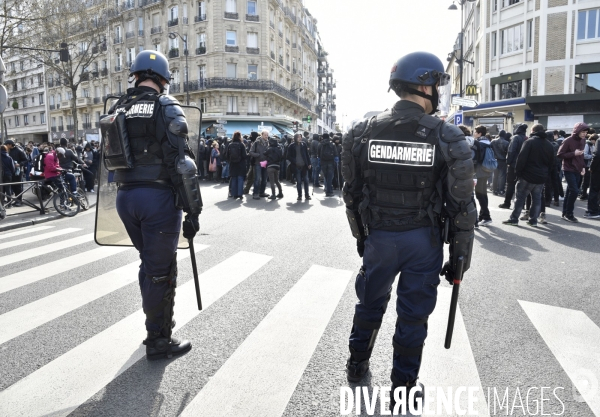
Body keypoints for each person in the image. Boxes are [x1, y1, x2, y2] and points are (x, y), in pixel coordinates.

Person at [342, 51, 476, 408]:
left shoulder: (360, 132)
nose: (437, 91)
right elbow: (462, 206)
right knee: (413, 316)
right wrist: (460, 257)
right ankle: (403, 387)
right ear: (424, 85)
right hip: (423, 240)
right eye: (436, 83)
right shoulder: (447, 135)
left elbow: (351, 195)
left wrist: (361, 237)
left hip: (380, 238)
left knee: (369, 303)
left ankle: (356, 365)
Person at [107, 50, 202, 360]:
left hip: (125, 198)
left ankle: (157, 325)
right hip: (156, 199)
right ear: (163, 79)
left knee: (149, 265)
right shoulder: (165, 105)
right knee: (161, 272)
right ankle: (158, 341)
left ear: (135, 75)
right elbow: (182, 165)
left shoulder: (119, 108)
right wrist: (193, 211)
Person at [502, 125, 555, 227]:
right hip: (541, 176)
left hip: (527, 175)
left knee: (520, 197)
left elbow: (521, 159)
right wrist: (545, 174)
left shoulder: (529, 142)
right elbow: (552, 163)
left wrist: (518, 173)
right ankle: (533, 220)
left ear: (533, 131)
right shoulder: (549, 145)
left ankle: (514, 219)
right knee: (537, 199)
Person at [558, 122, 588, 222]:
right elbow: (560, 154)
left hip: (578, 169)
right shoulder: (568, 140)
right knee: (574, 191)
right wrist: (573, 153)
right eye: (583, 132)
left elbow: (581, 155)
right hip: (568, 168)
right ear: (577, 131)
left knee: (571, 192)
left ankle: (565, 213)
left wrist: (583, 166)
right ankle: (569, 214)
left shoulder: (583, 141)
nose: (584, 134)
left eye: (586, 132)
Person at [499, 123, 528, 209]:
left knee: (510, 184)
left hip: (514, 164)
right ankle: (521, 204)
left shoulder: (516, 138)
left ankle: (507, 203)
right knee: (522, 186)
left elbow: (511, 151)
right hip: (524, 165)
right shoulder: (526, 138)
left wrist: (508, 162)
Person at [472, 125, 493, 226]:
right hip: (487, 170)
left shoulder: (479, 144)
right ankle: (482, 216)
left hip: (479, 171)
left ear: (479, 133)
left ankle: (486, 217)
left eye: (475, 132)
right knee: (483, 194)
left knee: (479, 194)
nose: (474, 134)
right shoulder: (488, 142)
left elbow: (477, 159)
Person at [286, 133, 312, 201]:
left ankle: (307, 195)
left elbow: (307, 154)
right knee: (299, 182)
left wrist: (309, 163)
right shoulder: (291, 146)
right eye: (298, 137)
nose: (300, 138)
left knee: (306, 181)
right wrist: (295, 161)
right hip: (296, 166)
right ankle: (299, 196)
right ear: (295, 138)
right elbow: (288, 156)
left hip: (304, 166)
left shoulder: (303, 144)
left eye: (300, 137)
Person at [3, 139, 28, 206]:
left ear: (10, 145)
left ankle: (19, 200)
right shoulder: (8, 150)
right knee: (13, 186)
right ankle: (16, 200)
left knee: (18, 186)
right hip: (11, 171)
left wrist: (19, 164)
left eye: (6, 145)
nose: (5, 146)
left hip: (18, 171)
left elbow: (26, 160)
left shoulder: (19, 150)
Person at [226, 131, 247, 199]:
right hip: (241, 164)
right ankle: (240, 194)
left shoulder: (230, 144)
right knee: (240, 178)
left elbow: (227, 155)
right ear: (240, 137)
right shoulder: (241, 144)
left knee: (234, 178)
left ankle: (234, 194)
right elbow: (244, 155)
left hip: (233, 164)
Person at [249, 130, 270, 199]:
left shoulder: (268, 143)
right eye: (265, 135)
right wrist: (258, 155)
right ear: (262, 135)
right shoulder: (257, 142)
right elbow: (251, 152)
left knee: (264, 179)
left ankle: (262, 192)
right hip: (258, 163)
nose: (266, 136)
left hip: (265, 163)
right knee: (257, 179)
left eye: (267, 135)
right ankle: (255, 193)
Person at [318, 133, 338, 197]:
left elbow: (318, 154)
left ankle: (328, 190)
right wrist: (336, 160)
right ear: (328, 137)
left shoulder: (320, 144)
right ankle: (329, 191)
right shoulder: (332, 144)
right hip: (331, 162)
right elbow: (335, 154)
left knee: (326, 177)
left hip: (323, 162)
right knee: (330, 178)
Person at [585, 134, 600, 219]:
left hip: (598, 170)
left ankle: (593, 211)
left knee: (594, 190)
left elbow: (597, 155)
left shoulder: (599, 140)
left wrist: (591, 167)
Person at [491, 130, 509, 195]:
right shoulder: (506, 143)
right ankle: (501, 190)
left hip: (495, 159)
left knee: (495, 176)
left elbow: (490, 150)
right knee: (502, 176)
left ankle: (494, 190)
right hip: (503, 160)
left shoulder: (493, 141)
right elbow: (508, 152)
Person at [580, 133, 596, 200]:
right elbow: (585, 155)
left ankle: (584, 193)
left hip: (588, 164)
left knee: (587, 180)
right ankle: (583, 194)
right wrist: (593, 156)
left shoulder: (592, 145)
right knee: (586, 180)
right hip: (586, 165)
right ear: (592, 140)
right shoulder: (587, 145)